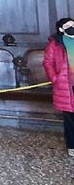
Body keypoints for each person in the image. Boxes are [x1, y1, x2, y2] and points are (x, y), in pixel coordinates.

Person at [43, 17, 74, 157]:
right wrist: (55, 79)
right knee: (70, 118)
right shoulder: (55, 44)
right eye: (68, 25)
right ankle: (72, 146)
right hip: (66, 85)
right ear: (61, 29)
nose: (72, 27)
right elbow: (48, 63)